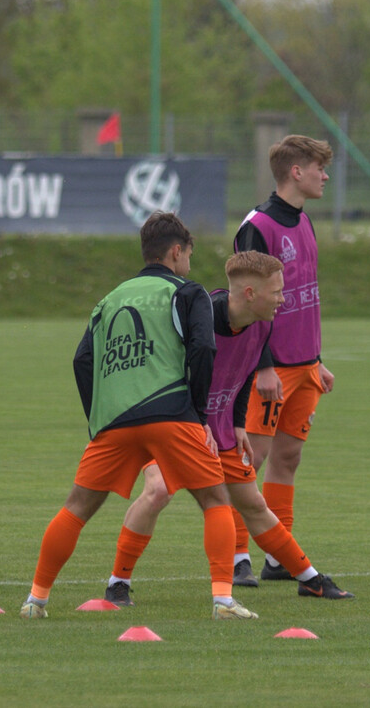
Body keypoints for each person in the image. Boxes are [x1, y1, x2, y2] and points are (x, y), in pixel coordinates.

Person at [21, 212, 258, 621]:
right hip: (171, 413)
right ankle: (223, 600)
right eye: (187, 255)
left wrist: (98, 418)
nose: (188, 264)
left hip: (113, 422)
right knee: (216, 499)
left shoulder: (109, 299)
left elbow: (82, 360)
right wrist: (200, 414)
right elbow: (204, 349)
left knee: (76, 507)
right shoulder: (189, 292)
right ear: (175, 252)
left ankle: (35, 600)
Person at [103, 251, 354, 608]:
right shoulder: (197, 318)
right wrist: (195, 422)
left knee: (252, 504)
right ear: (249, 293)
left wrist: (237, 424)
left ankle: (309, 579)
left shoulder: (263, 321)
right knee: (158, 491)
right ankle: (117, 585)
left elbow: (248, 370)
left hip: (218, 429)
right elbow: (167, 374)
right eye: (277, 292)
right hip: (171, 424)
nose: (284, 299)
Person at [232, 134, 334, 583]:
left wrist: (317, 359)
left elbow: (303, 297)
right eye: (318, 168)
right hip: (271, 369)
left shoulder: (305, 222)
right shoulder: (257, 226)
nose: (324, 175)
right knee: (249, 461)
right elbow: (246, 301)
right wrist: (265, 365)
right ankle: (238, 558)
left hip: (305, 366)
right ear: (296, 171)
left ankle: (278, 558)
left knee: (287, 458)